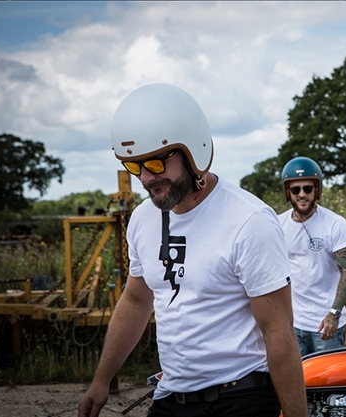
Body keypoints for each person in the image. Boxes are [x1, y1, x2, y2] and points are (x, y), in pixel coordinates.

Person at [78, 83, 308, 417]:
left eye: (156, 165)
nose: (144, 179)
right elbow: (136, 300)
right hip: (172, 396)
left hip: (241, 397)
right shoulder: (143, 219)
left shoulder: (249, 220)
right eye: (134, 166)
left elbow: (278, 330)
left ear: (192, 152)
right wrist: (101, 380)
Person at [278, 156, 346, 356]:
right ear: (288, 192)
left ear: (316, 190)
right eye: (296, 190)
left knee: (331, 386)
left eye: (308, 189)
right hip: (293, 324)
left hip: (326, 326)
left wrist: (334, 314)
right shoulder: (278, 225)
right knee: (299, 385)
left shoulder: (335, 225)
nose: (302, 195)